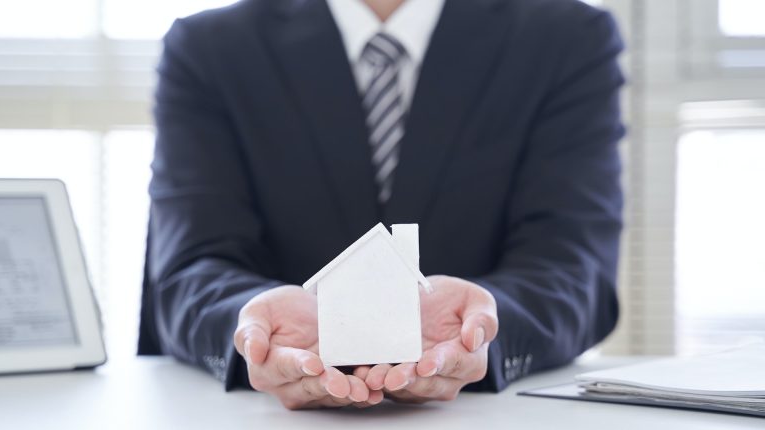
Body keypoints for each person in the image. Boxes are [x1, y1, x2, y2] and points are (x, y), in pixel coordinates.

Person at [138, 0, 625, 410]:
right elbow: (190, 267)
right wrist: (255, 328)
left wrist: (481, 332)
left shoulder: (564, 39)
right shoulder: (212, 49)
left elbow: (572, 264)